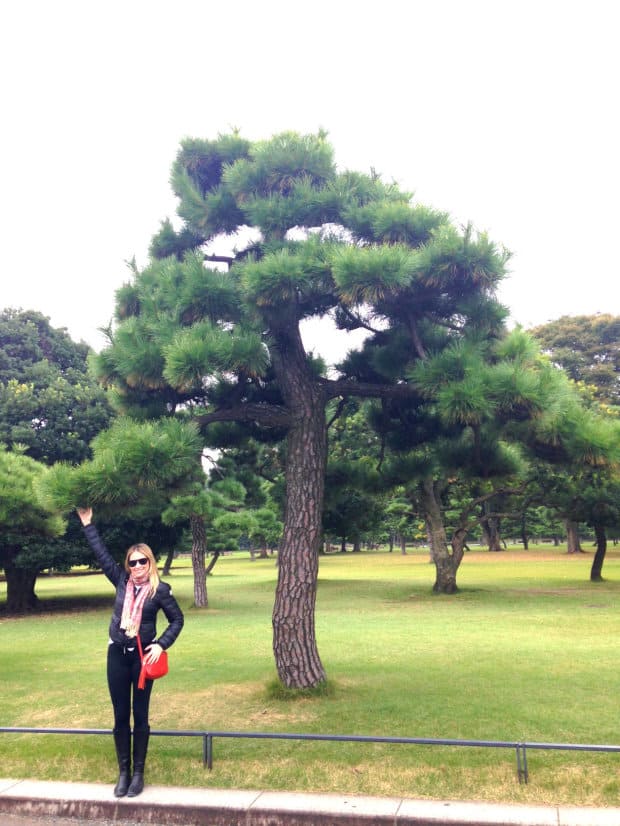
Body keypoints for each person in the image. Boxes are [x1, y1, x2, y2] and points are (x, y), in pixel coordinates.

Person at [77, 507, 184, 798]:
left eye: (142, 561)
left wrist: (161, 644)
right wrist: (88, 524)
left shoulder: (160, 590)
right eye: (132, 562)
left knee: (141, 714)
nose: (137, 566)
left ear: (150, 563)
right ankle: (123, 772)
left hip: (141, 659)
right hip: (117, 656)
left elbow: (178, 620)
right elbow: (100, 554)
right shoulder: (121, 581)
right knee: (120, 714)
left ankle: (138, 773)